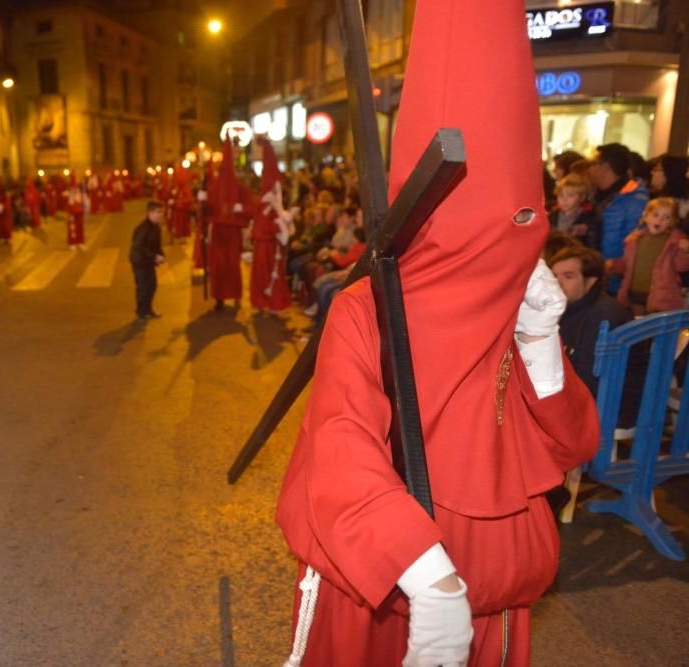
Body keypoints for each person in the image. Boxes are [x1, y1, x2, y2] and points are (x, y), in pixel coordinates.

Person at [275, 3, 599, 665]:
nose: (512, 239)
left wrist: (539, 343)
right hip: (387, 590)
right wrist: (428, 574)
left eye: (525, 220)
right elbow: (341, 442)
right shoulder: (368, 308)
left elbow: (571, 443)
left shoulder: (514, 307)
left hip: (499, 594)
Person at [549, 245, 643, 429]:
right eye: (554, 277)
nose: (557, 284)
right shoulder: (567, 307)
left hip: (608, 408)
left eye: (568, 277)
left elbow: (591, 381)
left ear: (591, 281)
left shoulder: (604, 317)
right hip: (587, 398)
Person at [589, 143, 650, 294]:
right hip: (594, 276)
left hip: (616, 284)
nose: (589, 169)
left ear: (606, 166)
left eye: (593, 164)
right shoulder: (594, 195)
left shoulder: (634, 200)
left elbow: (637, 244)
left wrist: (616, 268)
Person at [613, 197, 689, 314]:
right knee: (638, 326)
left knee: (654, 328)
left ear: (672, 222)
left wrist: (686, 251)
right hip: (635, 293)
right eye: (655, 215)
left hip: (662, 298)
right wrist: (612, 266)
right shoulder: (634, 240)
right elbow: (627, 264)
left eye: (666, 217)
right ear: (646, 216)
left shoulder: (674, 242)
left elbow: (682, 265)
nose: (659, 220)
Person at [207, 138, 252, 310]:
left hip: (231, 234)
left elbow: (250, 206)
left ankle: (233, 295)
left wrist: (240, 208)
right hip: (220, 233)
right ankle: (220, 298)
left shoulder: (238, 187)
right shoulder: (215, 187)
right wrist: (203, 202)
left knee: (231, 266)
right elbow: (208, 208)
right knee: (220, 267)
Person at [250, 138, 294, 314]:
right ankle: (266, 301)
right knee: (264, 275)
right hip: (266, 248)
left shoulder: (271, 207)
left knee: (269, 275)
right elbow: (265, 228)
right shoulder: (266, 207)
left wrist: (285, 220)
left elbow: (283, 232)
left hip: (270, 247)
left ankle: (270, 302)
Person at [129, 200, 165, 320]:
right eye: (157, 212)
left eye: (161, 212)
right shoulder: (143, 228)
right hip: (139, 262)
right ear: (149, 213)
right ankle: (141, 312)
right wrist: (154, 256)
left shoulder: (156, 227)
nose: (160, 215)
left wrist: (161, 255)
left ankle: (148, 309)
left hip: (148, 261)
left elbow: (157, 245)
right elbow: (138, 247)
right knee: (143, 287)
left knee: (152, 285)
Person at [549, 173, 598, 247]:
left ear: (582, 197)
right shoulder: (552, 216)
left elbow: (592, 245)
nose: (564, 200)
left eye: (571, 195)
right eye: (561, 195)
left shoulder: (588, 220)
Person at [0, 176, 13, 242]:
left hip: (4, 210)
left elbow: (6, 199)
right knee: (1, 225)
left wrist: (2, 207)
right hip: (1, 209)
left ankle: (6, 237)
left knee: (5, 224)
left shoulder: (3, 190)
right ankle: (3, 237)